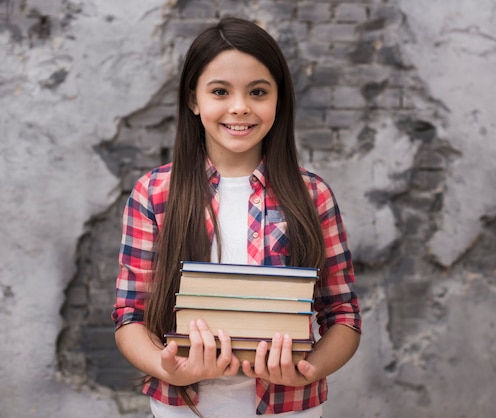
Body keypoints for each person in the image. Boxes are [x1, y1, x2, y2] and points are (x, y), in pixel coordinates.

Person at [112, 16, 361, 417]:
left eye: (258, 91)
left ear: (278, 99)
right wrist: (167, 368)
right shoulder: (154, 193)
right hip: (183, 408)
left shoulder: (313, 195)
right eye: (220, 91)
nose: (240, 107)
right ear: (194, 99)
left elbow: (343, 315)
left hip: (290, 408)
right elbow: (130, 316)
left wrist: (308, 370)